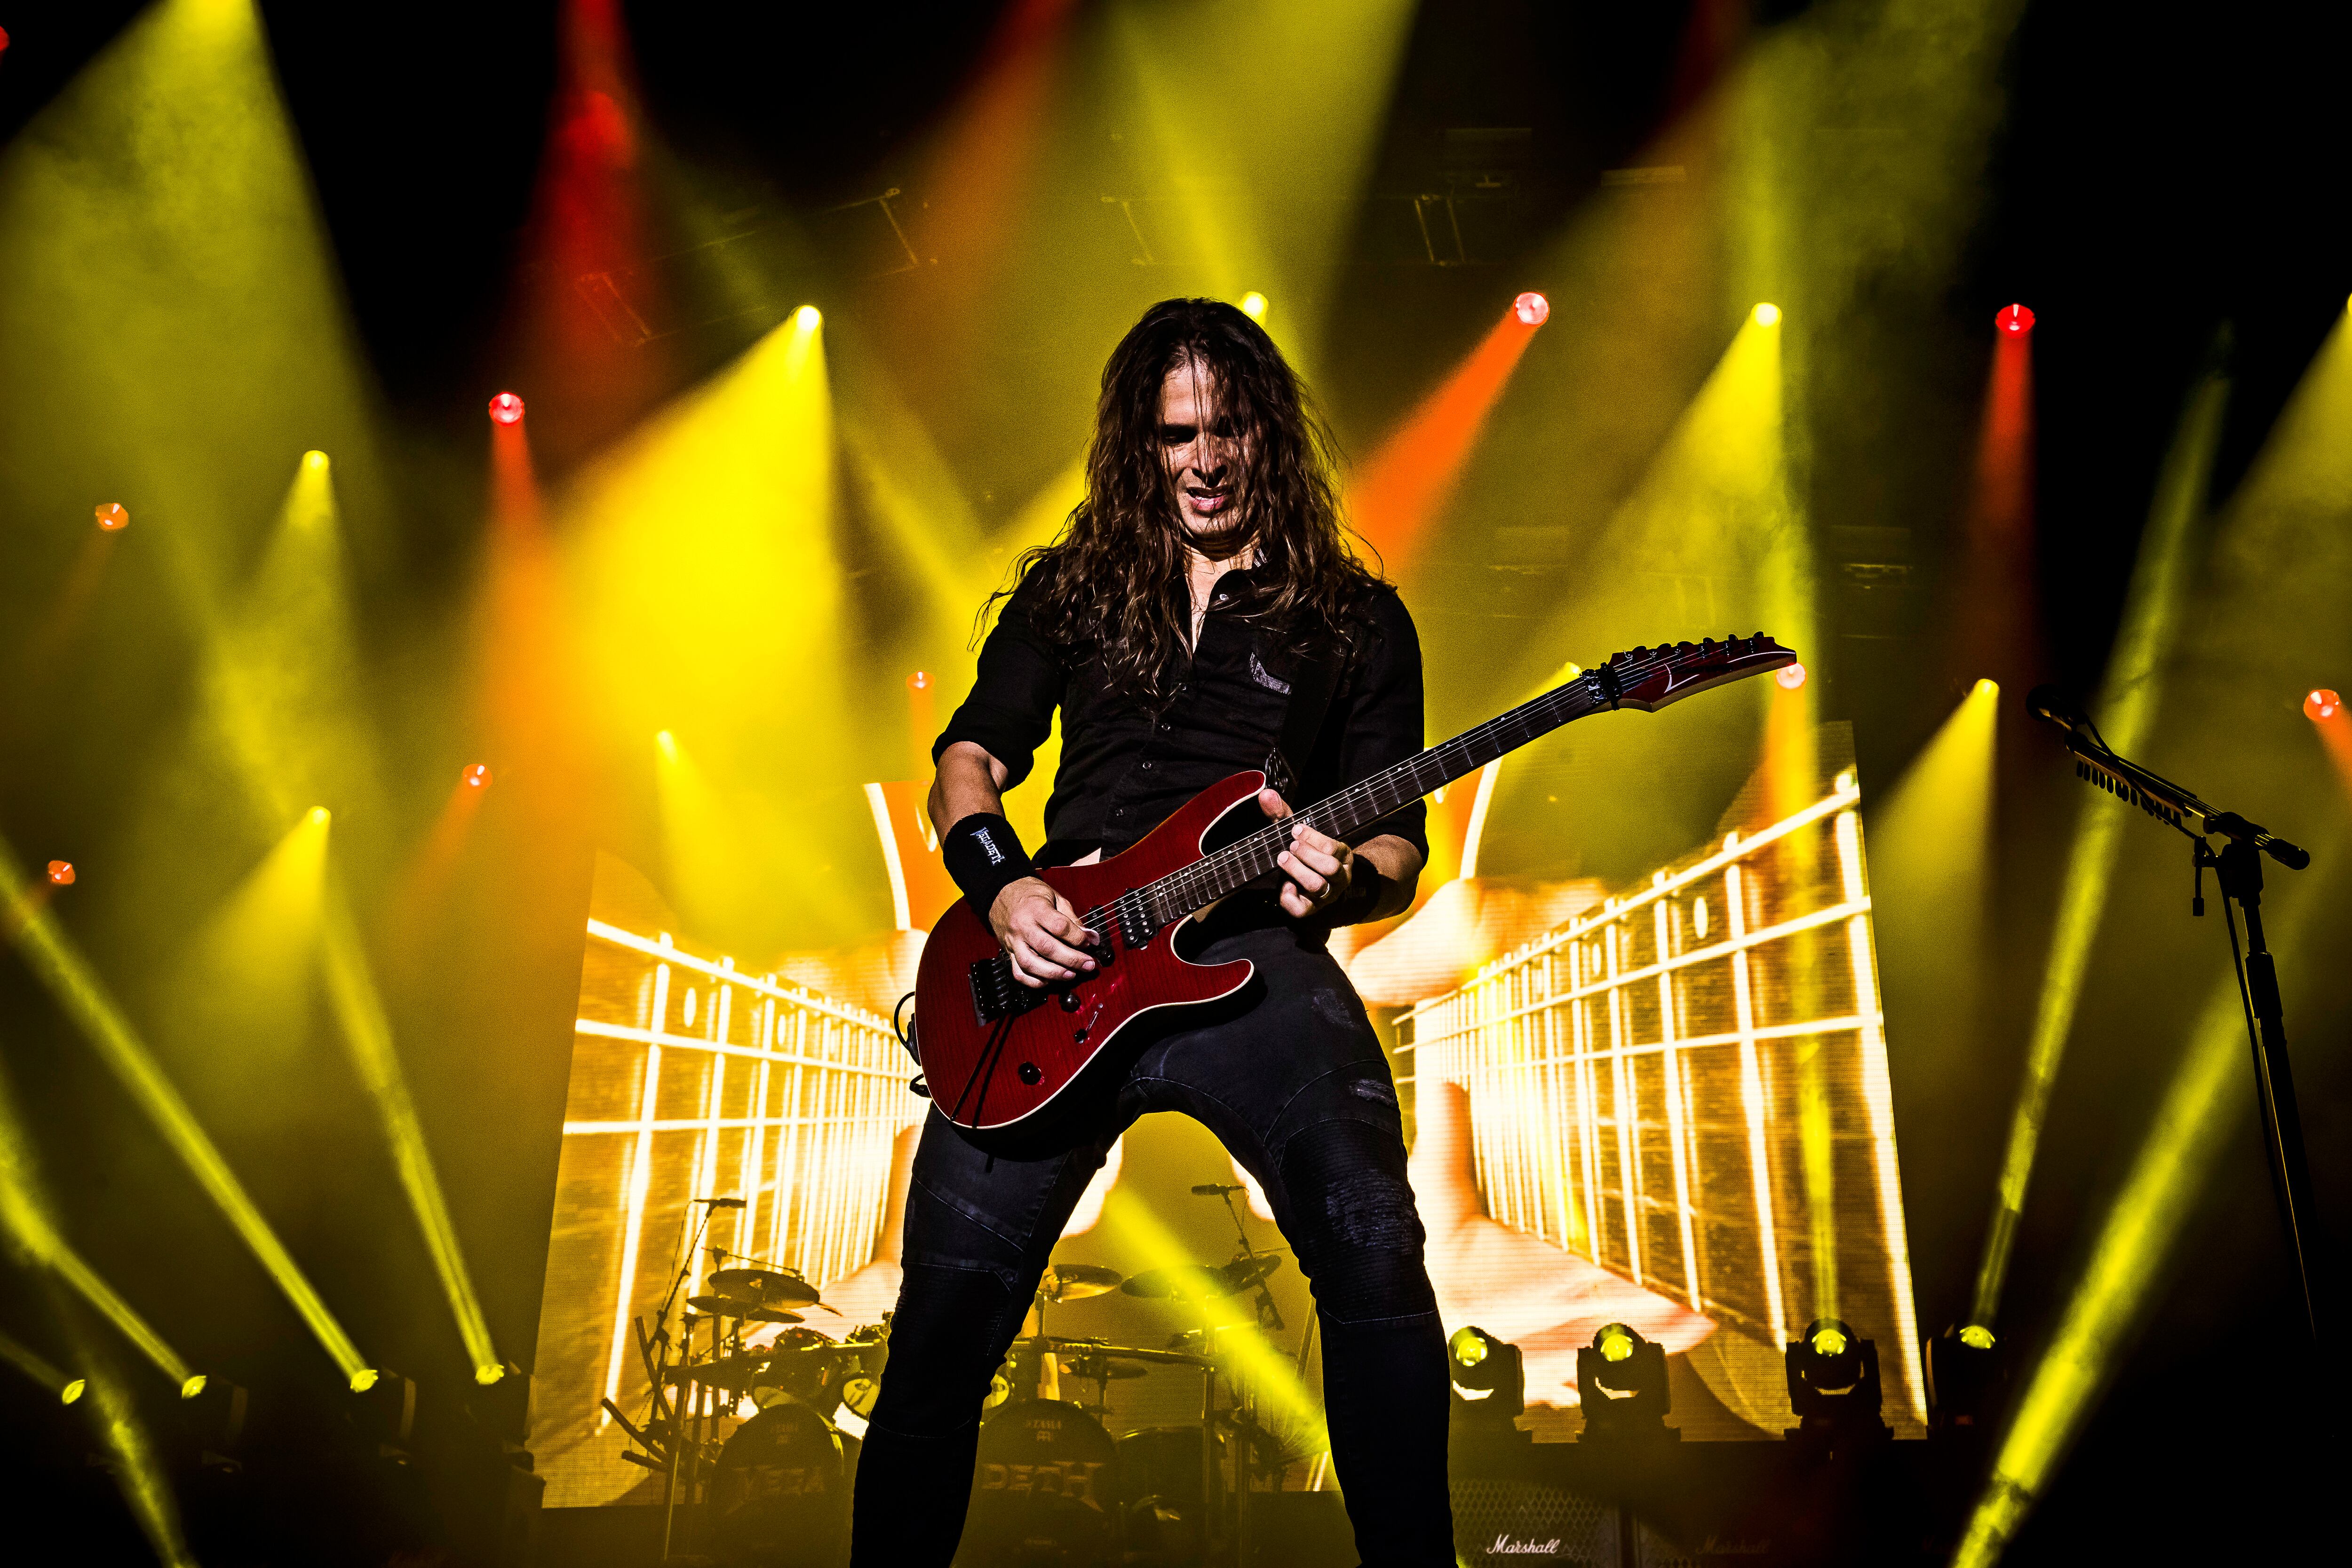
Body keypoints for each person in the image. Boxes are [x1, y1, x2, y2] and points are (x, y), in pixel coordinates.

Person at [850, 298, 1453, 1567]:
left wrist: (1343, 879)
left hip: (1252, 964)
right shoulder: (1075, 592)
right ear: (1142, 445)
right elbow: (967, 764)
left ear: (1269, 435)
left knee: (1379, 1269)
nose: (1206, 461)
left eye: (1229, 430)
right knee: (940, 1332)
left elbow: (1399, 847)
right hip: (1059, 969)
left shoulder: (1354, 621)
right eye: (1178, 435)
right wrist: (1003, 892)